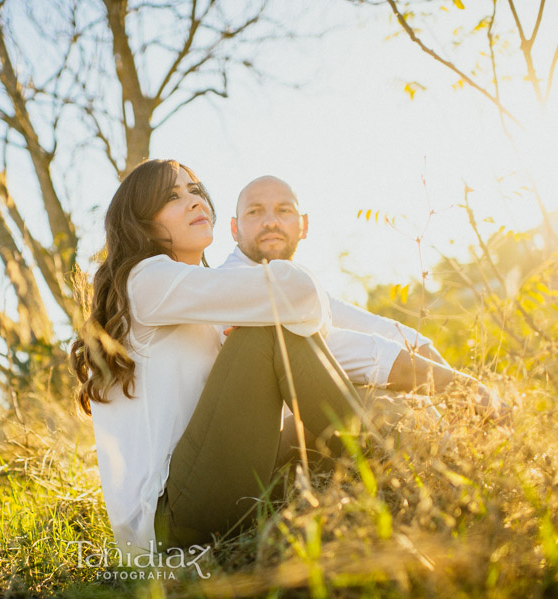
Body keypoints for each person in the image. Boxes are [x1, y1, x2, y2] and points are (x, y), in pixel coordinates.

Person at [70, 160, 365, 555]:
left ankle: (374, 446)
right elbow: (298, 295)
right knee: (266, 328)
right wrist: (260, 328)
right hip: (168, 521)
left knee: (334, 407)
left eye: (195, 190)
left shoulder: (192, 303)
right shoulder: (148, 279)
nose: (194, 201)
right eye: (173, 197)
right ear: (140, 222)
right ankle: (375, 459)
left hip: (202, 491)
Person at [224, 175, 500, 408]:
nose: (270, 222)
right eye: (254, 211)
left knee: (399, 402)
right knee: (381, 405)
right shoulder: (230, 285)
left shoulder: (302, 287)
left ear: (304, 225)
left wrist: (458, 387)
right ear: (235, 229)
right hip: (265, 446)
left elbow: (383, 330)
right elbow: (340, 349)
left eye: (284, 210)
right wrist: (469, 390)